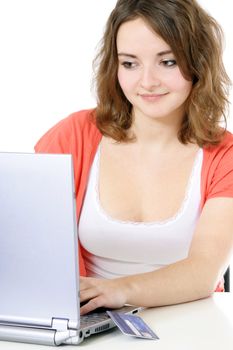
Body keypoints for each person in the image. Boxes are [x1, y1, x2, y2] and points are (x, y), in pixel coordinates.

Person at [35, 0, 233, 315]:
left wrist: (119, 290)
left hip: (193, 322)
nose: (147, 82)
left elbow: (204, 271)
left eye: (167, 62)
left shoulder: (224, 155)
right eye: (130, 63)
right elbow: (28, 242)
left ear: (198, 63)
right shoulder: (72, 135)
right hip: (89, 321)